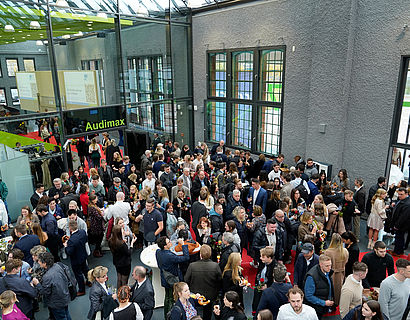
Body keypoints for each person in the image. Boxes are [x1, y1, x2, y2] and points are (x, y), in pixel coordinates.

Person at [185, 245, 222, 320]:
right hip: (211, 295)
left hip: (195, 296)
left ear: (200, 254)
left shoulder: (192, 266)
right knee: (207, 313)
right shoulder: (215, 266)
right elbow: (220, 281)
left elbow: (186, 280)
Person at [31, 252, 72, 320]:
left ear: (45, 263)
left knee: (61, 317)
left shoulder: (47, 277)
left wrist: (37, 284)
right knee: (66, 313)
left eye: (40, 261)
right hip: (65, 296)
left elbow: (45, 292)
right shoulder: (58, 265)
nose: (39, 263)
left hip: (56, 303)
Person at [156, 236, 190, 317]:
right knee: (172, 298)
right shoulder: (169, 256)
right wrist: (183, 244)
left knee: (167, 296)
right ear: (165, 246)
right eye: (169, 242)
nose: (171, 242)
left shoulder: (158, 252)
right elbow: (186, 257)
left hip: (164, 278)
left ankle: (166, 316)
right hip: (173, 279)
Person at [304, 254, 335, 319]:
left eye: (330, 265)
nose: (330, 268)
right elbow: (309, 296)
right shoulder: (311, 277)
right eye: (327, 266)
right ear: (321, 264)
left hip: (323, 306)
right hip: (316, 308)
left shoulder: (327, 271)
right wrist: (324, 303)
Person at [63, 220, 89, 296]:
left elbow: (69, 252)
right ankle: (89, 281)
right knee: (85, 270)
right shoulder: (82, 232)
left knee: (78, 274)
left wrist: (66, 246)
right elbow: (85, 241)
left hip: (76, 260)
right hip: (83, 255)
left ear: (70, 228)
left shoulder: (71, 240)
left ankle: (82, 290)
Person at [324, 233, 348, 305]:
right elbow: (346, 261)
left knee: (330, 288)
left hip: (331, 273)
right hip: (341, 272)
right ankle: (337, 302)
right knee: (339, 289)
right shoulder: (345, 251)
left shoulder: (328, 252)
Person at [252, 247, 276, 315]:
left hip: (268, 291)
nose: (260, 258)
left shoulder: (275, 266)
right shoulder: (263, 263)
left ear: (269, 257)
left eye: (263, 256)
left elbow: (275, 281)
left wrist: (267, 286)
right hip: (259, 288)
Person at [391, 187, 410, 255]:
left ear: (406, 194)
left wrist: (397, 225)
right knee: (398, 237)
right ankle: (398, 250)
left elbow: (403, 217)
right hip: (399, 223)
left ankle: (398, 252)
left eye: (401, 194)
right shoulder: (402, 200)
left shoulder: (407, 204)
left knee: (399, 238)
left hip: (402, 225)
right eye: (398, 194)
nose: (399, 196)